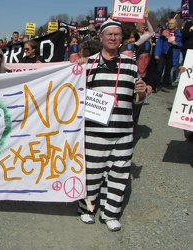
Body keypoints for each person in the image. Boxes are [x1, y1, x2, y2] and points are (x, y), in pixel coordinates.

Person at [77, 18, 147, 232]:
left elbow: (138, 98)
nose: (113, 38)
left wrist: (142, 92)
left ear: (121, 38)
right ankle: (87, 209)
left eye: (117, 34)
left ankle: (110, 213)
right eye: (109, 34)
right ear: (101, 37)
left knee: (119, 173)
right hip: (94, 131)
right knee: (91, 174)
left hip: (123, 131)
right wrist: (76, 68)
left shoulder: (129, 64)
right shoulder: (87, 65)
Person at [154, 18, 183, 93]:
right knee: (159, 69)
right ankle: (156, 85)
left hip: (172, 53)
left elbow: (181, 45)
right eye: (169, 23)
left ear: (175, 25)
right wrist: (157, 53)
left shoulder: (178, 33)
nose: (170, 25)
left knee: (168, 70)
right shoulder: (164, 32)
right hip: (163, 53)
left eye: (172, 23)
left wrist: (176, 43)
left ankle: (164, 85)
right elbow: (159, 44)